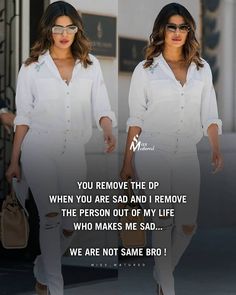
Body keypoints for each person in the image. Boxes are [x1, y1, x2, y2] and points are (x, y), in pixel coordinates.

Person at [6, 1, 116, 295]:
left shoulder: (90, 66)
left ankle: (43, 268)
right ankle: (55, 288)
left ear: (77, 29)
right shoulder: (32, 68)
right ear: (49, 30)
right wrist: (14, 160)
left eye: (70, 27)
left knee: (70, 222)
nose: (64, 33)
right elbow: (24, 117)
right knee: (52, 218)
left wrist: (107, 128)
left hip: (73, 154)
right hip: (39, 149)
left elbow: (101, 105)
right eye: (58, 27)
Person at [120, 3, 223, 295]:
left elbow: (210, 116)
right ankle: (167, 286)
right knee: (163, 219)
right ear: (161, 30)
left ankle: (161, 270)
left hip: (186, 152)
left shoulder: (202, 71)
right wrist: (127, 162)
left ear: (189, 31)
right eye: (171, 26)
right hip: (152, 148)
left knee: (188, 225)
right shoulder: (146, 70)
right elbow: (136, 121)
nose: (177, 32)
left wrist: (216, 148)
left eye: (183, 27)